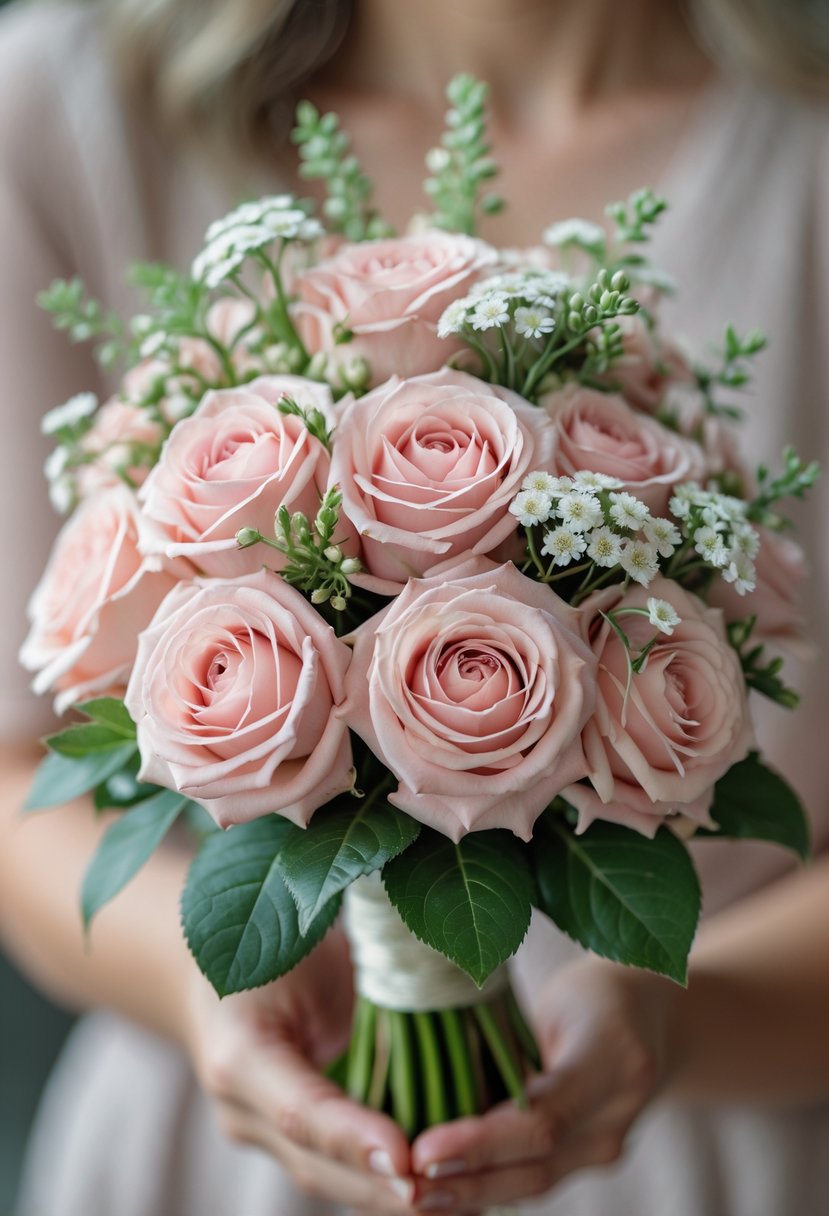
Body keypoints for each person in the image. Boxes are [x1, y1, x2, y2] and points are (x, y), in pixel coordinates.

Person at [1, 1, 828, 1213]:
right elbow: (18, 770)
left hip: (714, 1154)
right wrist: (204, 991)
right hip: (208, 1156)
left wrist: (672, 1016)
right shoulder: (68, 107)